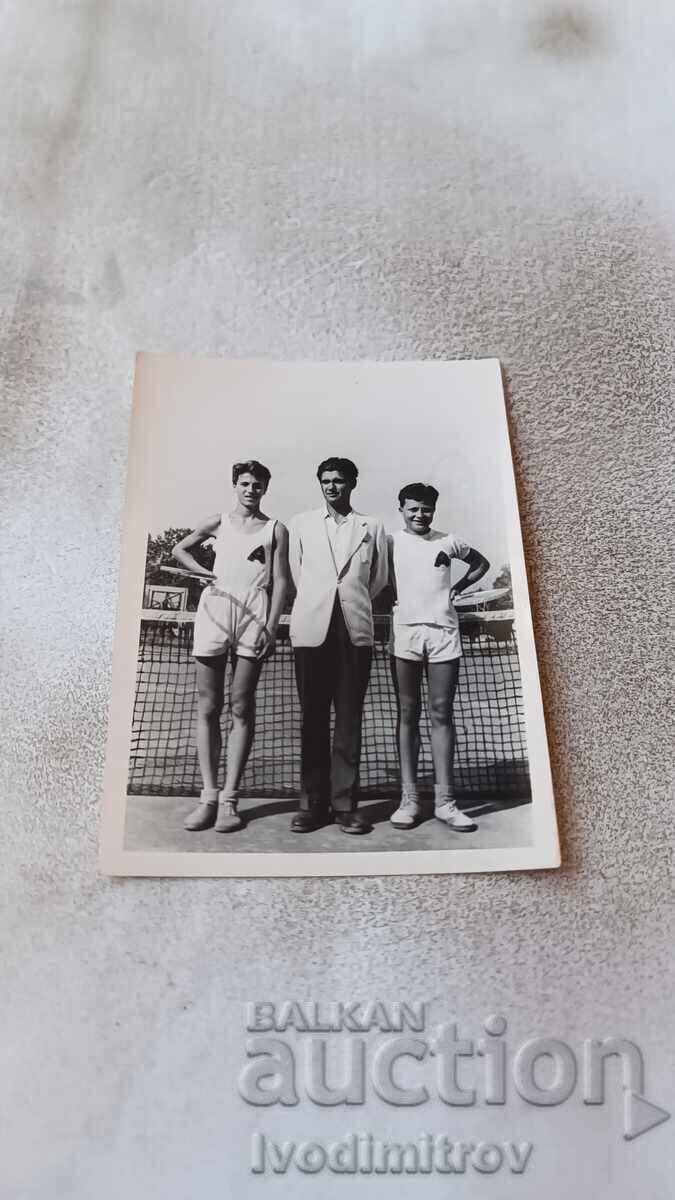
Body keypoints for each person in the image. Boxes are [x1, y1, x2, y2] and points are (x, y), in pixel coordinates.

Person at [172, 461, 289, 833]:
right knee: (208, 705)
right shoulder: (217, 522)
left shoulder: (275, 529)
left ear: (265, 488)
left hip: (254, 614)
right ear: (234, 485)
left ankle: (229, 801)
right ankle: (207, 797)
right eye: (244, 483)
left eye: (257, 484)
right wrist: (205, 573)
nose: (251, 489)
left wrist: (271, 627)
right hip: (215, 609)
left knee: (241, 705)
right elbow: (180, 550)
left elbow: (282, 582)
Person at [288, 457, 388, 834]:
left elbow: (376, 580)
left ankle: (345, 805)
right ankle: (312, 806)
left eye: (340, 481)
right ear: (320, 484)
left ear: (353, 483)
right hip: (311, 628)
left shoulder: (372, 526)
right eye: (326, 481)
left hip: (355, 630)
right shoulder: (300, 524)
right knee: (312, 719)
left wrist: (348, 599)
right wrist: (322, 600)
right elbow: (299, 575)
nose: (332, 487)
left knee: (349, 719)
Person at [388, 482, 489, 832]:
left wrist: (458, 589)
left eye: (426, 509)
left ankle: (446, 803)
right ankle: (409, 800)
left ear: (434, 509)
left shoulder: (450, 541)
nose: (420, 514)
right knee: (407, 712)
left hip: (444, 632)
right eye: (413, 508)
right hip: (406, 632)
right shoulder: (391, 541)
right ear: (400, 509)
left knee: (441, 712)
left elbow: (480, 564)